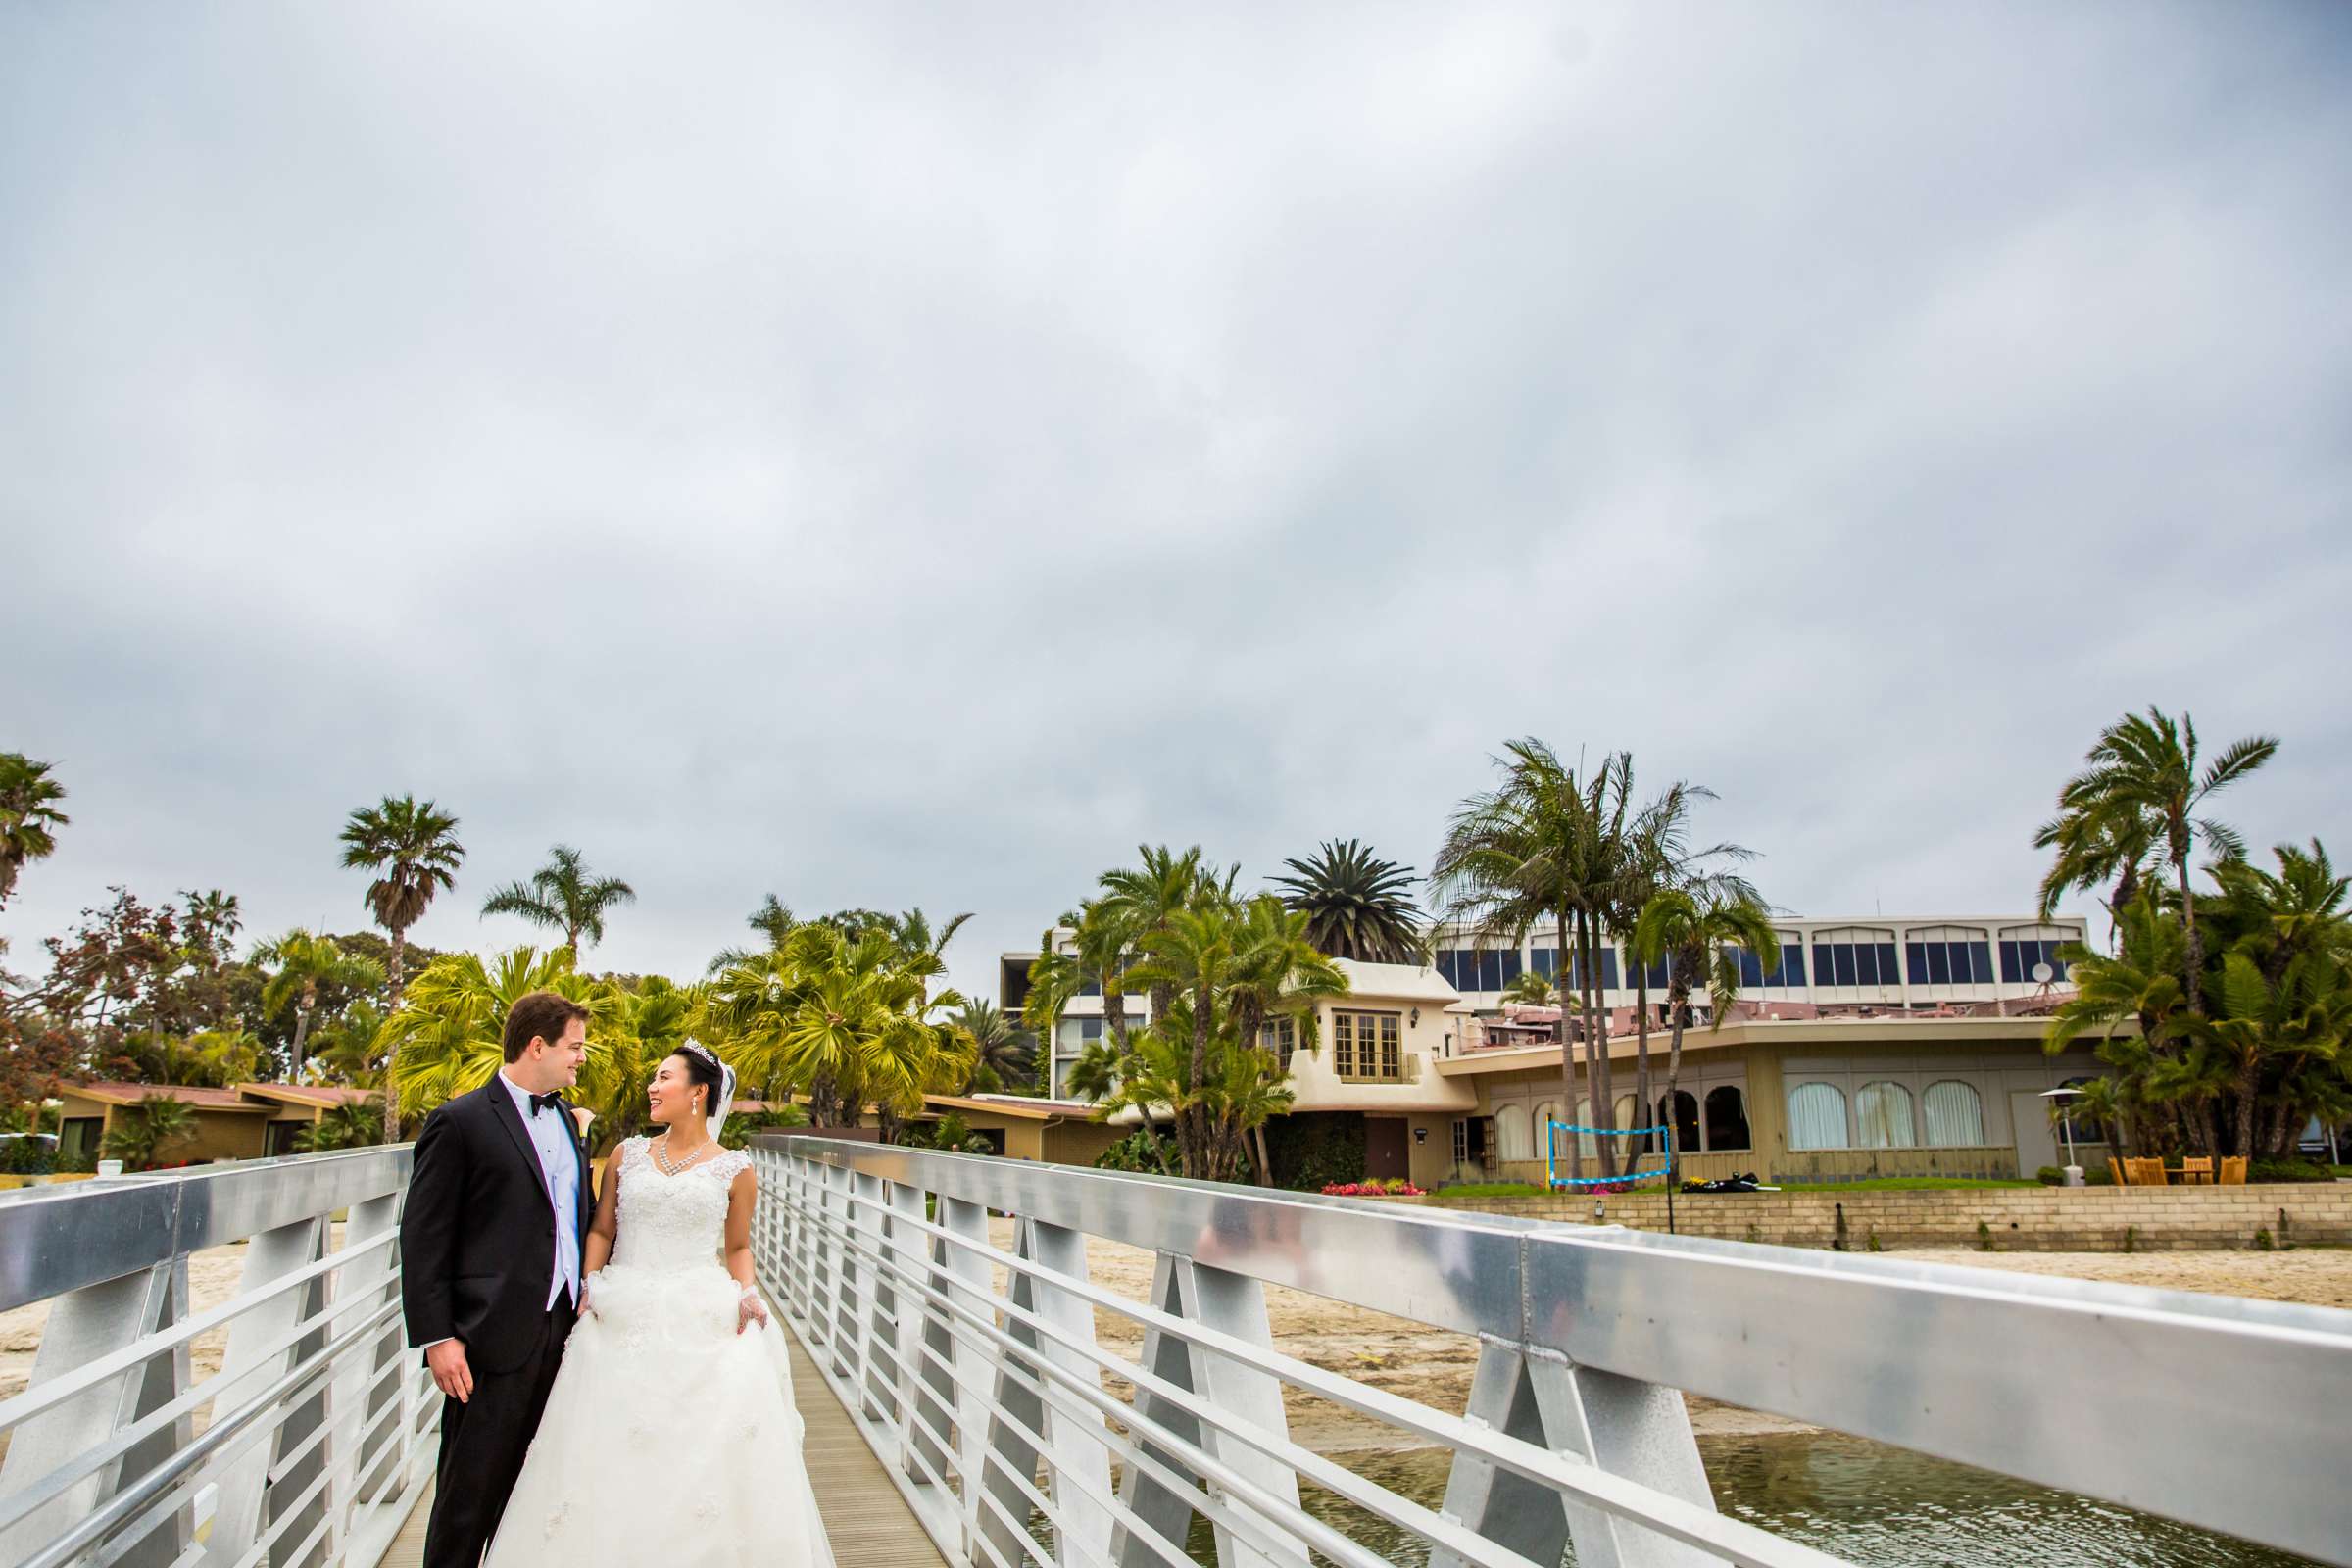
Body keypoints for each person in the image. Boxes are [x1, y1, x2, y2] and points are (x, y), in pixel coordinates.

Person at [482, 1039, 834, 1567]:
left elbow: (737, 1247)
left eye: (664, 1077)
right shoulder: (628, 1153)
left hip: (700, 1311)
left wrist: (748, 1293)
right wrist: (590, 1284)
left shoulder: (734, 1168)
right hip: (620, 1309)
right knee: (604, 1451)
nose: (652, 1086)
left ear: (697, 1092)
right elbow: (602, 1229)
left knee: (694, 1454)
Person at [399, 990, 596, 1568]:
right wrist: (439, 1337)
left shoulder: (565, 1117)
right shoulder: (459, 1122)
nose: (580, 1058)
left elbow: (571, 1218)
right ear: (538, 1046)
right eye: (574, 1047)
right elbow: (423, 1237)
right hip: (486, 1338)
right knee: (468, 1498)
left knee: (532, 1495)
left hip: (561, 1332)